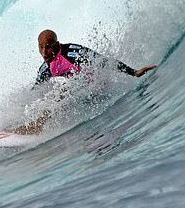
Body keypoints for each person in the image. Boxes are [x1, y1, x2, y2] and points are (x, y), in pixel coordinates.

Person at [13, 29, 157, 134]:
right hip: (84, 92)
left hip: (100, 84)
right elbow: (34, 93)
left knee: (60, 93)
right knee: (49, 96)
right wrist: (20, 113)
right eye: (41, 47)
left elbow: (105, 62)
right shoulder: (46, 68)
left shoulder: (74, 54)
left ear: (56, 45)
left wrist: (134, 72)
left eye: (48, 46)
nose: (44, 52)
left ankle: (36, 126)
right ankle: (23, 124)